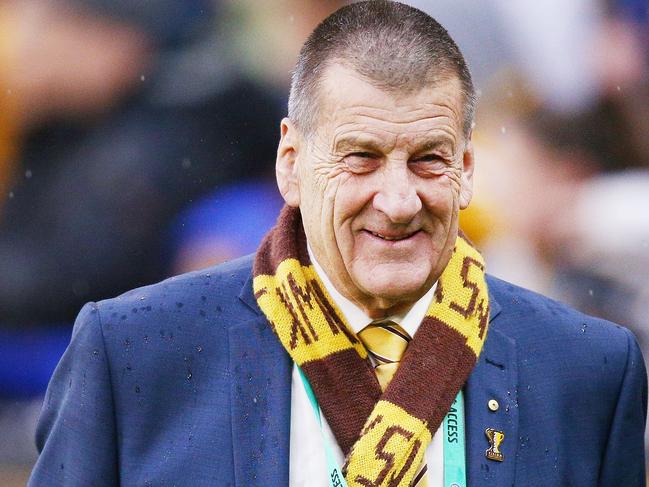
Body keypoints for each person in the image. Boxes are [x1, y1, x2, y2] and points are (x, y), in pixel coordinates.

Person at [27, 2, 646, 486]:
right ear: (290, 164)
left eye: (429, 160)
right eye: (362, 159)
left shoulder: (586, 371)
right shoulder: (134, 353)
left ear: (467, 168)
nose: (399, 200)